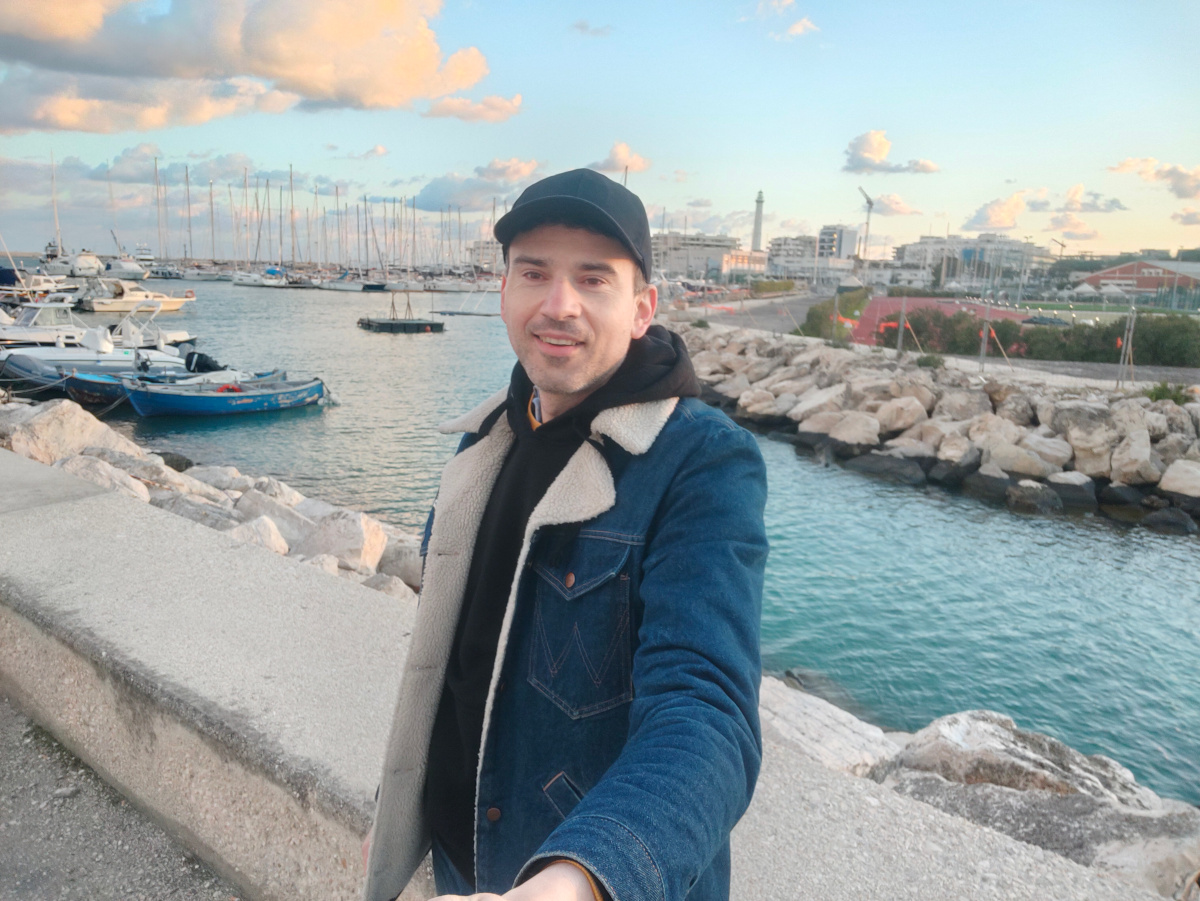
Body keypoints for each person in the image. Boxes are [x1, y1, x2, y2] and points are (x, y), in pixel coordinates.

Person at [363, 168, 768, 901]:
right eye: (534, 273)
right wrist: (400, 812)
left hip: (580, 878)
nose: (558, 305)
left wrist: (577, 880)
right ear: (503, 293)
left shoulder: (702, 462)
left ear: (641, 310)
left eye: (592, 279)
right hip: (461, 858)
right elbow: (456, 659)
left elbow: (706, 711)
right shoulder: (488, 437)